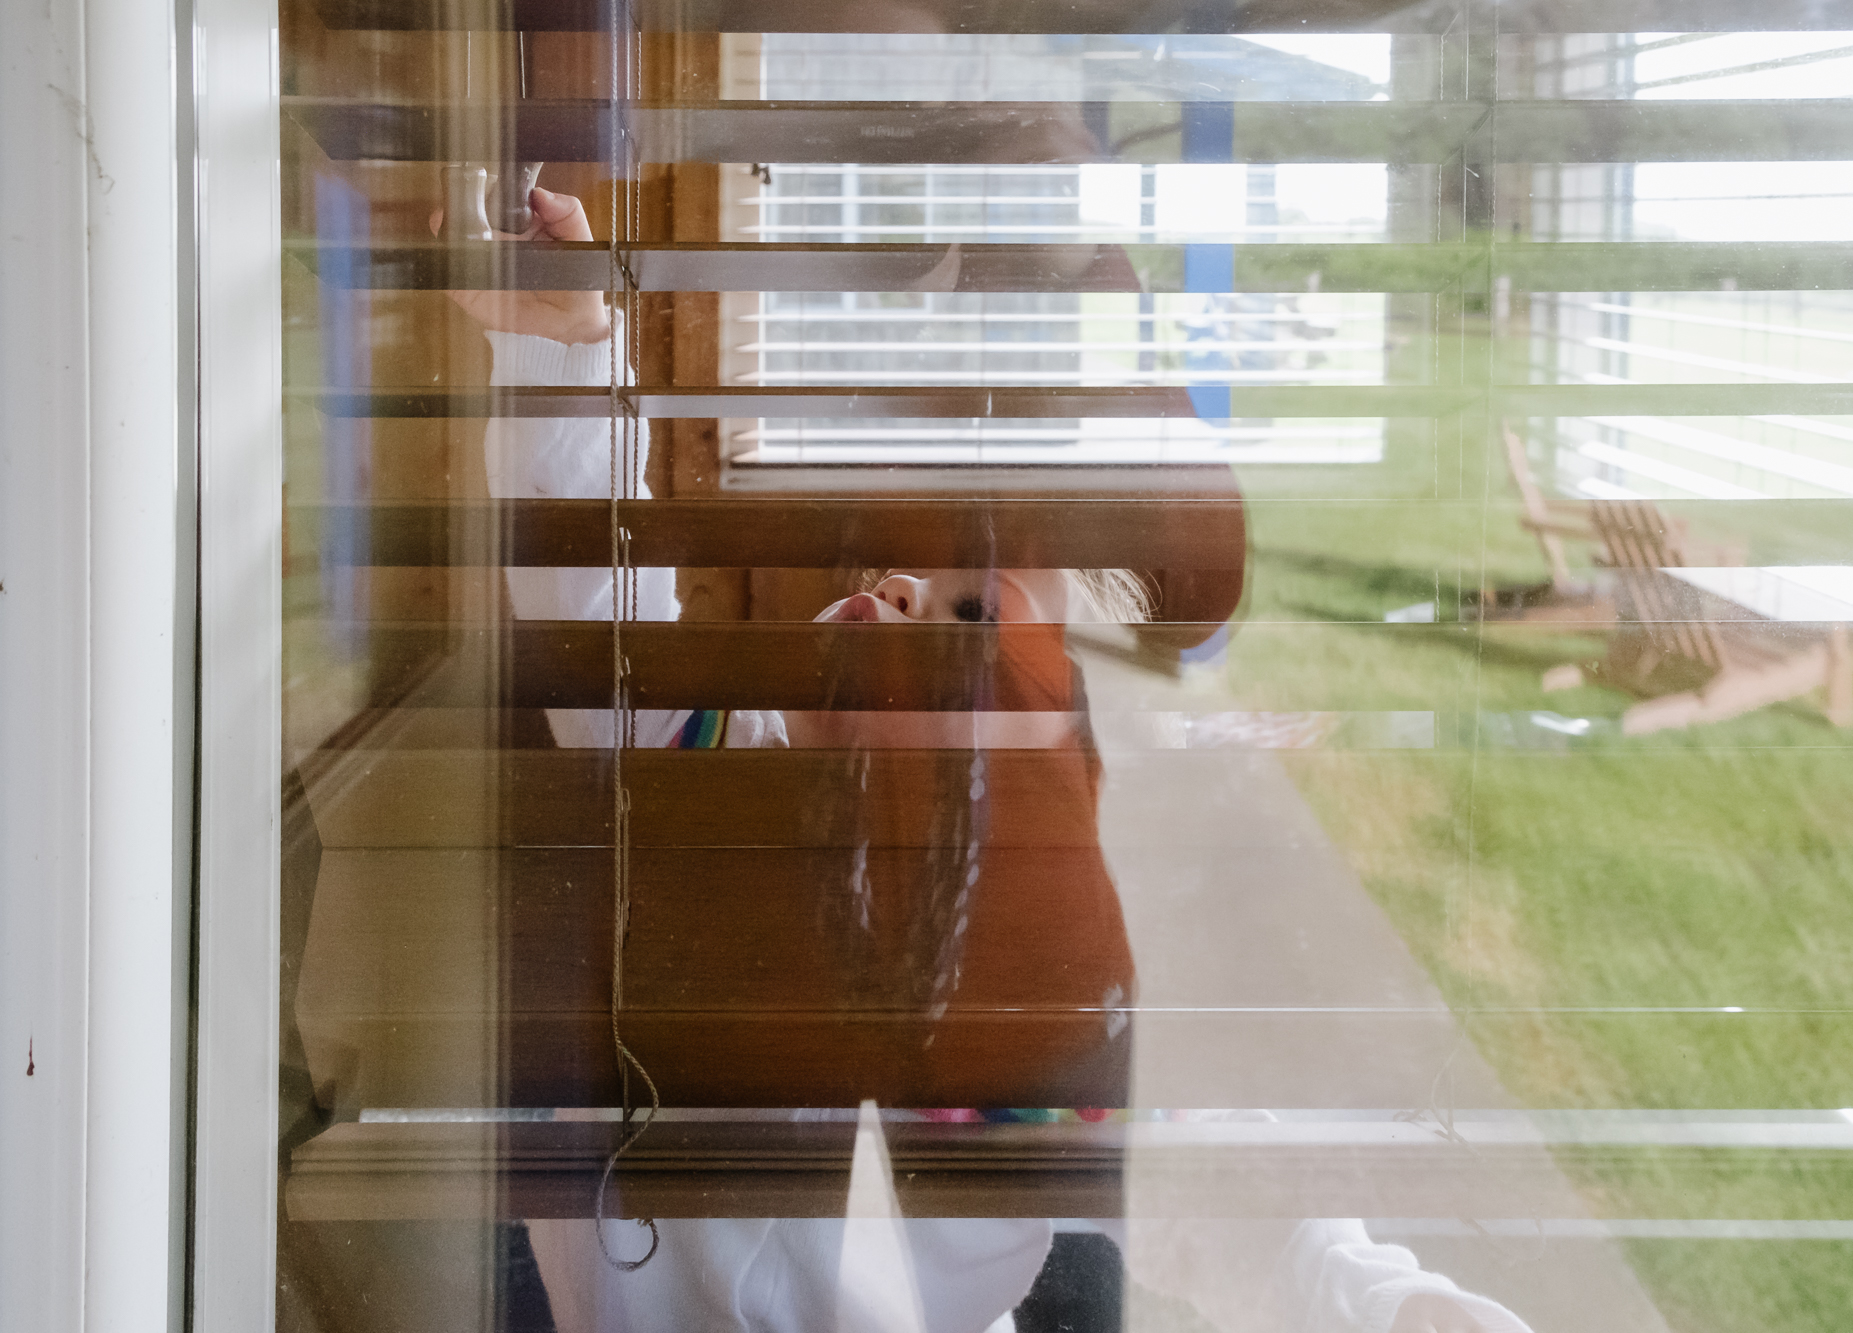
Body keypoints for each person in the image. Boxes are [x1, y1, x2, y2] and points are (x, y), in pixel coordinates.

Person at [458, 188, 1529, 1333]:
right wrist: (563, 345)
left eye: (969, 623)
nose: (898, 586)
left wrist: (1391, 1305)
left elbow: (1227, 1195)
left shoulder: (1030, 1003)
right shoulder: (704, 764)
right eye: (910, 566)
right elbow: (589, 591)